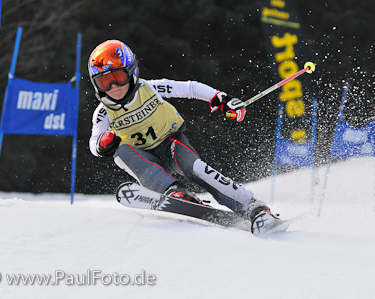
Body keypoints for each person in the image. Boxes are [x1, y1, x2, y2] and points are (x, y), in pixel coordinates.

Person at [88, 39, 279, 228]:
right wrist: (101, 145)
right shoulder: (103, 112)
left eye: (118, 77)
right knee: (119, 152)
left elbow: (190, 88)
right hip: (145, 159)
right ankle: (173, 191)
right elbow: (94, 141)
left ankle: (253, 207)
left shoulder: (151, 89)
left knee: (199, 170)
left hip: (171, 144)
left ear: (131, 72)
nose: (114, 87)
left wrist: (220, 99)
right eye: (105, 82)